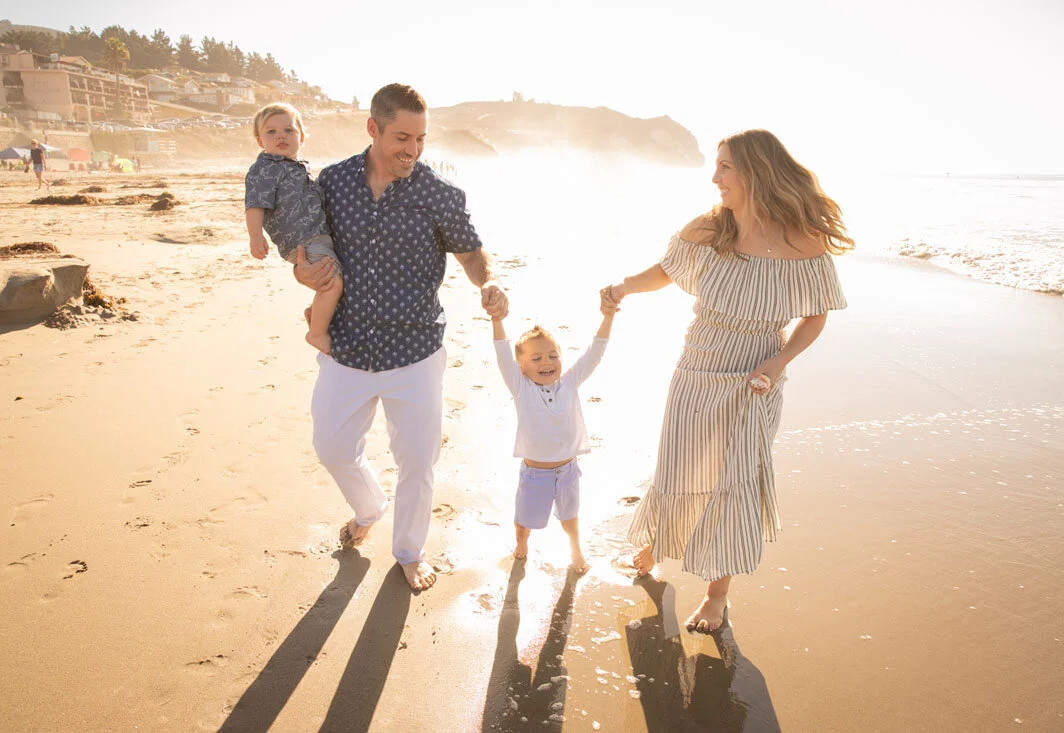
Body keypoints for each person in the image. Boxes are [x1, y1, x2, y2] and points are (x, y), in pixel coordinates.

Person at [602, 129, 851, 632]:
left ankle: (717, 596)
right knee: (678, 464)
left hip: (753, 380)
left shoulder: (802, 241)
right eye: (716, 167)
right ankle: (660, 539)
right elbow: (666, 271)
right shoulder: (711, 228)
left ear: (756, 171)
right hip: (696, 370)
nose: (715, 177)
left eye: (725, 168)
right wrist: (623, 287)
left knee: (732, 481)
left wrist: (778, 362)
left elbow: (816, 317)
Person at [294, 83, 508, 591]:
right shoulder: (334, 183)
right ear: (373, 129)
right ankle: (369, 506)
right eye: (401, 137)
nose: (411, 150)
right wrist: (303, 273)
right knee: (332, 447)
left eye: (421, 139)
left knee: (417, 462)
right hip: (346, 347)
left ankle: (409, 551)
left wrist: (490, 280)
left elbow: (473, 253)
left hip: (414, 351)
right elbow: (310, 249)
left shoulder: (438, 194)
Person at [491, 306, 614, 574]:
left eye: (552, 356)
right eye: (536, 358)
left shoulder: (569, 383)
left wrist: (608, 316)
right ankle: (521, 544)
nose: (546, 363)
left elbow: (594, 354)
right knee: (524, 520)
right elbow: (502, 353)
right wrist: (496, 320)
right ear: (521, 367)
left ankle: (576, 550)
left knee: (570, 517)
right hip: (535, 474)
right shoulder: (521, 388)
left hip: (568, 471)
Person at [245, 102, 343, 354]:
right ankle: (317, 334)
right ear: (259, 140)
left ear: (302, 136)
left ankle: (318, 313)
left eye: (289, 130)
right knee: (331, 283)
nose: (280, 136)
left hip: (317, 237)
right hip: (303, 240)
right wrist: (255, 236)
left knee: (336, 281)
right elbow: (255, 204)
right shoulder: (264, 169)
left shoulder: (300, 168)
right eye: (271, 132)